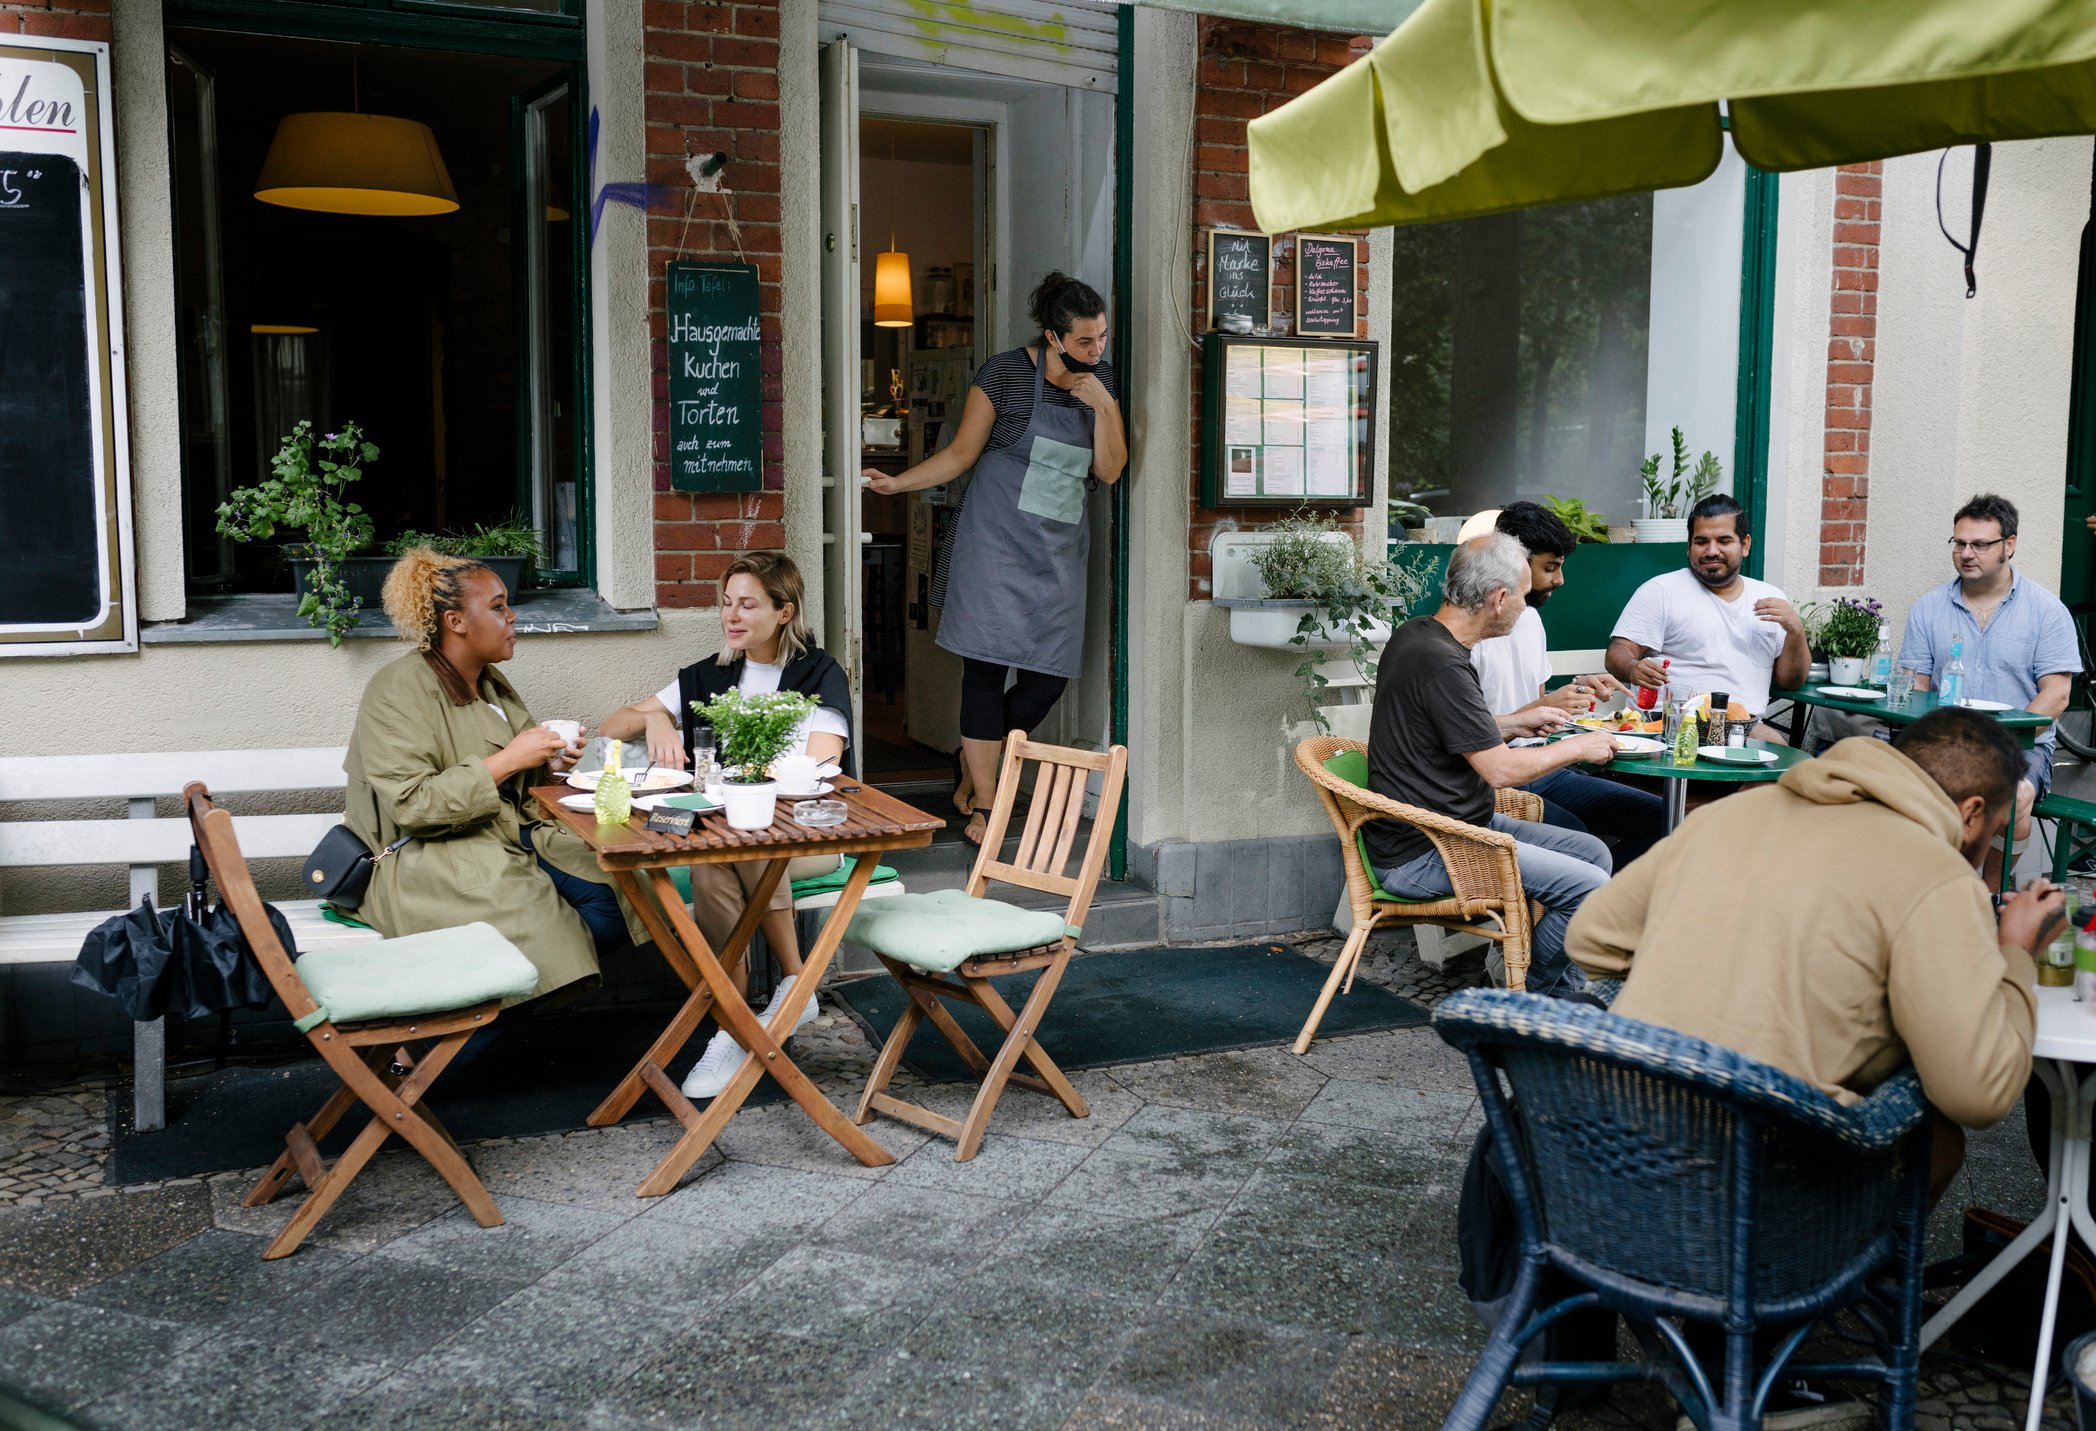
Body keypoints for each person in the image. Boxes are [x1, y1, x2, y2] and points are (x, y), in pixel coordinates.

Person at [1564, 707, 2055, 1431]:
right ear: (1972, 809)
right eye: (1993, 831)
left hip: (1610, 1158)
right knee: (1940, 1132)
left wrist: (1714, 965)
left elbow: (1589, 937)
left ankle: (1709, 1346)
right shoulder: (1933, 869)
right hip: (1751, 1194)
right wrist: (2014, 952)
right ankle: (1772, 1323)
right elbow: (1979, 1089)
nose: (1986, 847)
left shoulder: (1734, 812)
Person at [865, 271, 1127, 845]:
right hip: (995, 545)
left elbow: (1108, 471)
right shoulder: (1005, 374)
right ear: (1053, 337)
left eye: (1102, 338)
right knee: (983, 671)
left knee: (1048, 679)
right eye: (1085, 341)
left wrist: (1105, 409)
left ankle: (973, 752)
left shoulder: (1101, 380)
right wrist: (897, 484)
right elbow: (960, 454)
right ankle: (988, 806)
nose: (1096, 350)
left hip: (1058, 554)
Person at [599, 551, 854, 1099]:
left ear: (784, 612)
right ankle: (746, 1019)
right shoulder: (709, 676)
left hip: (809, 834)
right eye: (726, 603)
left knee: (738, 835)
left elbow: (822, 762)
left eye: (748, 604)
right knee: (718, 860)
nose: (731, 616)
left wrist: (749, 787)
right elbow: (610, 725)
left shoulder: (818, 673)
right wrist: (653, 717)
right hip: (727, 839)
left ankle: (776, 990)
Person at [345, 549, 632, 1005]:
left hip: (508, 839)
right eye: (498, 607)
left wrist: (549, 765)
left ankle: (519, 981)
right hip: (428, 859)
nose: (512, 617)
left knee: (627, 894)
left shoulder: (489, 682)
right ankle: (426, 1050)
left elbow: (511, 772)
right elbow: (414, 805)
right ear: (456, 621)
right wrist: (512, 758)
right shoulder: (398, 688)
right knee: (541, 928)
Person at [1368, 534, 1620, 998]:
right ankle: (1526, 997)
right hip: (1425, 852)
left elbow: (1448, 729)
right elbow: (1501, 772)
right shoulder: (1442, 662)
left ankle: (1559, 990)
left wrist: (1517, 720)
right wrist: (1580, 746)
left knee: (1593, 854)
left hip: (1458, 827)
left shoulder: (1419, 634)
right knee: (1589, 887)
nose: (1526, 607)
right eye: (1523, 596)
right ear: (1498, 598)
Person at [1471, 502, 1665, 865]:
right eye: (1551, 568)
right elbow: (1472, 736)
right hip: (1500, 778)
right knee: (1582, 844)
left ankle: (1601, 904)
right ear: (1515, 561)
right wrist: (1551, 708)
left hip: (1546, 767)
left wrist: (1577, 690)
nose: (1559, 580)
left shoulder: (1530, 621)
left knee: (1665, 819)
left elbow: (1536, 704)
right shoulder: (1471, 634)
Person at [1896, 493, 2080, 862]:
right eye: (1960, 543)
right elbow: (1915, 684)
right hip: (1945, 741)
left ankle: (1991, 898)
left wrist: (1999, 746)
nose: (1967, 554)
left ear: (2008, 545)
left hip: (2024, 747)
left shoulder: (2046, 611)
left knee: (2010, 797)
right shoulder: (1929, 608)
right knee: (1899, 795)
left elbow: (2057, 695)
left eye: (1980, 545)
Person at [1606, 493, 1810, 727]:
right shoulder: (1661, 591)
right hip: (1670, 723)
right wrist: (1633, 668)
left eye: (1724, 541)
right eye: (1701, 542)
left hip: (1744, 727)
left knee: (1790, 761)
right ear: (1689, 545)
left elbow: (1790, 682)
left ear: (1744, 545)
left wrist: (1796, 630)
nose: (1712, 551)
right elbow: (1617, 653)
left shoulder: (1770, 598)